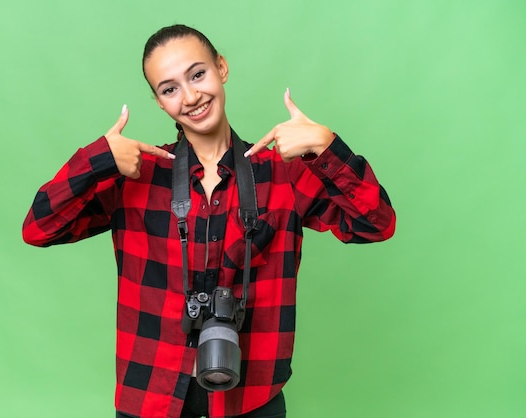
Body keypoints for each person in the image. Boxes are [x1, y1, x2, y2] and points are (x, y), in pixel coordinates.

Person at [22, 24, 396, 418]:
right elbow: (38, 228)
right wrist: (97, 159)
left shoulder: (281, 173)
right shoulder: (136, 174)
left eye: (198, 74)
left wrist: (325, 144)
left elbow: (376, 223)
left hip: (253, 396)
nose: (191, 96)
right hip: (152, 391)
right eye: (170, 89)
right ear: (159, 102)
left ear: (222, 68)